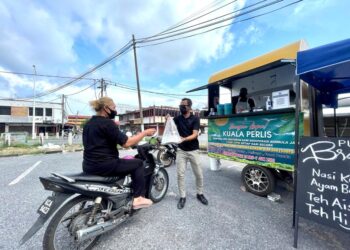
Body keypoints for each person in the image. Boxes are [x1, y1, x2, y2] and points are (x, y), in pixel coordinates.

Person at [82, 97, 156, 210]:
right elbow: (127, 143)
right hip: (104, 165)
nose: (115, 110)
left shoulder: (89, 123)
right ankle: (138, 198)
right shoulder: (108, 123)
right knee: (138, 163)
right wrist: (145, 133)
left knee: (125, 161)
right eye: (114, 107)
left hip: (88, 165)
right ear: (106, 108)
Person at [170, 98, 208, 209]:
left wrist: (184, 139)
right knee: (180, 175)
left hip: (193, 150)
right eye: (180, 105)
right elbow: (170, 124)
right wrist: (167, 119)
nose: (181, 107)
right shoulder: (178, 118)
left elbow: (195, 134)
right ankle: (182, 197)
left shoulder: (195, 118)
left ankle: (199, 193)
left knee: (198, 174)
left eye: (184, 105)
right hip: (181, 150)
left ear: (189, 107)